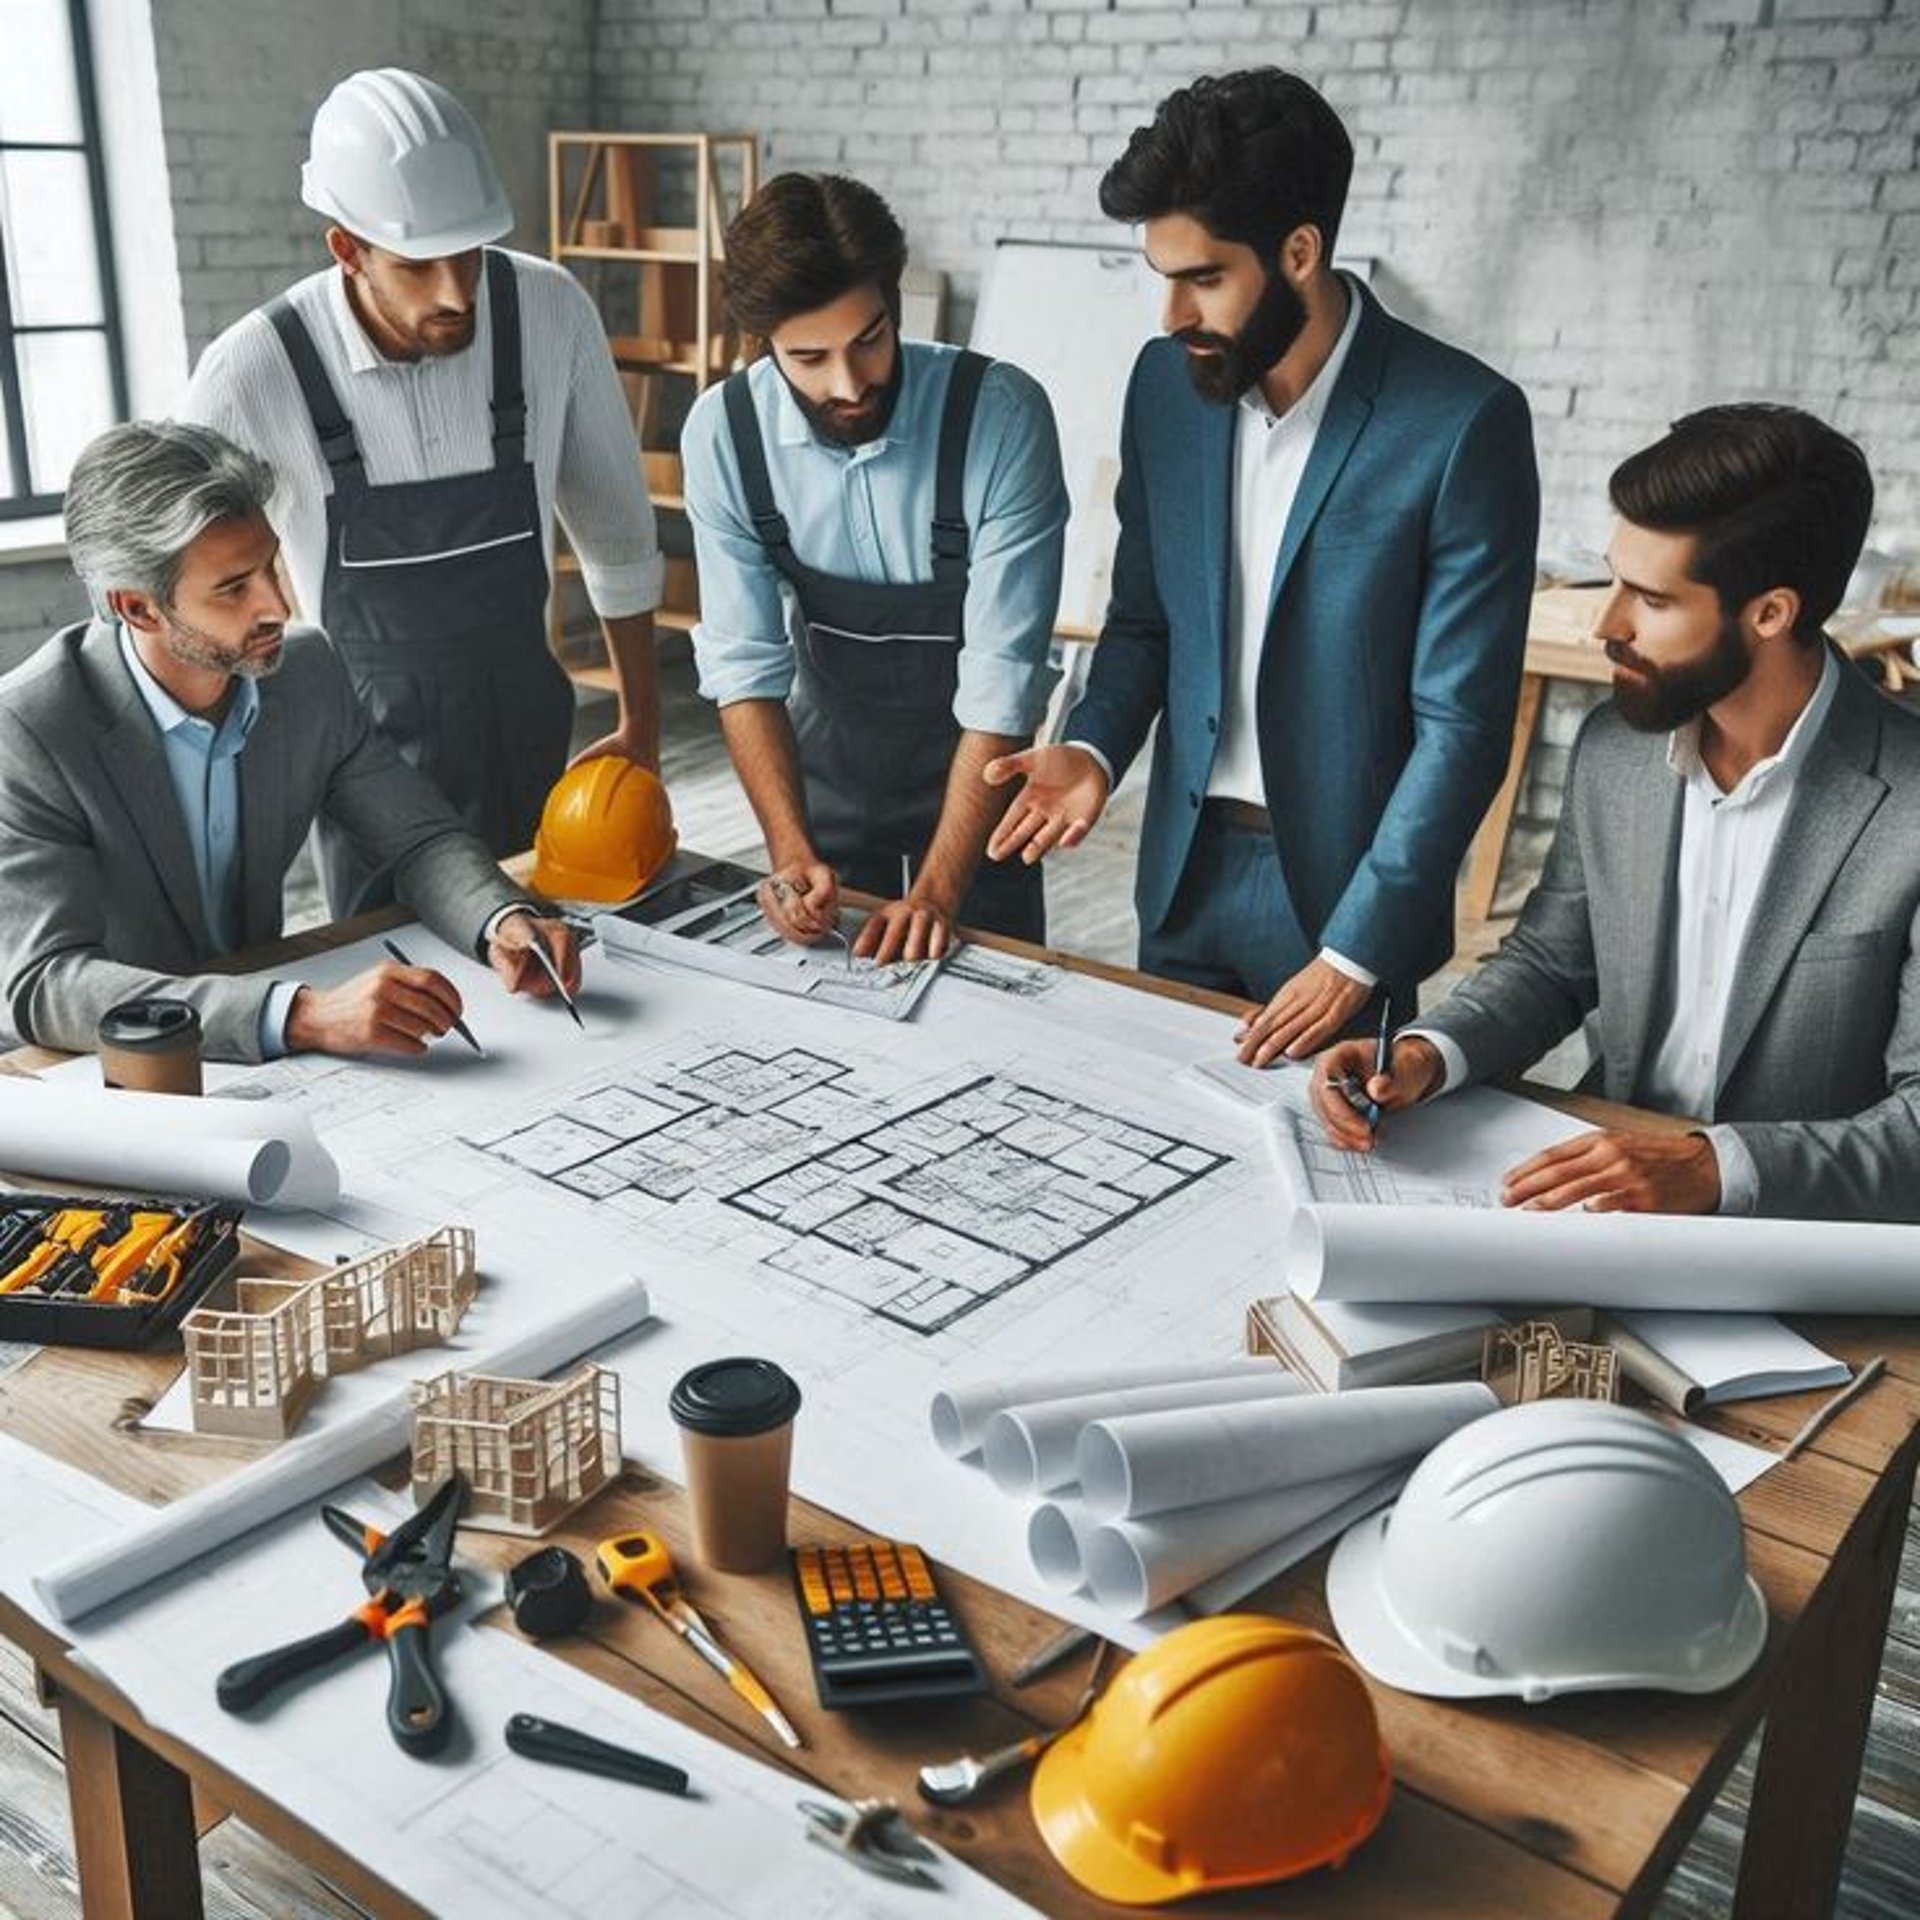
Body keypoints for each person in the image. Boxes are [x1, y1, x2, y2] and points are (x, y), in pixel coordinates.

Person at [984, 69, 1538, 1057]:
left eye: (1204, 279)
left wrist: (1360, 952)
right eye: (1164, 276)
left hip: (1340, 902)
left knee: (1329, 1189)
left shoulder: (1463, 424)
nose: (1170, 316)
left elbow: (1462, 728)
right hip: (1179, 875)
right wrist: (1097, 749)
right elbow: (1147, 618)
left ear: (1299, 251)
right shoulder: (1166, 384)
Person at [1312, 405, 1920, 1223]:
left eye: (1652, 599)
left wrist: (1711, 1169)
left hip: (1803, 1238)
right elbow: (1550, 965)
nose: (1606, 625)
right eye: (1613, 580)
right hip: (1605, 1207)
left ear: (1770, 613)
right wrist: (1429, 1053)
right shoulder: (1615, 751)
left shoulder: (1907, 802)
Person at [183, 68, 662, 913]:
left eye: (471, 253)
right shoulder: (252, 371)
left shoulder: (549, 311)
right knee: (398, 983)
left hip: (529, 729)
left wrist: (645, 723)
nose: (456, 292)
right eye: (419, 265)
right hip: (364, 765)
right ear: (346, 249)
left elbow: (617, 532)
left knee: (552, 951)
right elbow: (193, 587)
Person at [0, 421, 580, 1064]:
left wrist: (498, 920)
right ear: (139, 608)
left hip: (264, 1048)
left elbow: (417, 838)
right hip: (90, 1068)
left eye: (270, 564)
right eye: (233, 587)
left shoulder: (306, 670)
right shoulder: (29, 726)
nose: (277, 602)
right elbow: (44, 982)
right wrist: (300, 1014)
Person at [680, 172, 1069, 963]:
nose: (848, 384)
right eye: (809, 358)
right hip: (826, 787)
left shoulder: (999, 417)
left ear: (896, 305)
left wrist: (937, 891)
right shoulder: (724, 436)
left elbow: (1004, 681)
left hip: (979, 795)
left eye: (869, 340)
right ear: (761, 344)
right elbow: (745, 667)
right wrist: (788, 855)